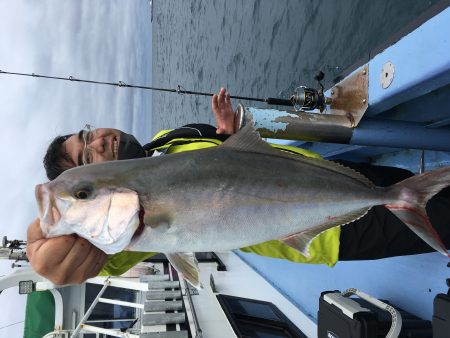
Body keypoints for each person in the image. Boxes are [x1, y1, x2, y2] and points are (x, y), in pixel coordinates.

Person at [27, 88, 450, 285]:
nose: (99, 141)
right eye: (87, 159)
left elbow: (235, 161)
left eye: (87, 135)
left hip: (330, 176)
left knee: (410, 189)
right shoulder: (128, 234)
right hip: (333, 231)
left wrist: (228, 138)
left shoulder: (170, 139)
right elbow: (102, 255)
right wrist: (60, 258)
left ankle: (407, 195)